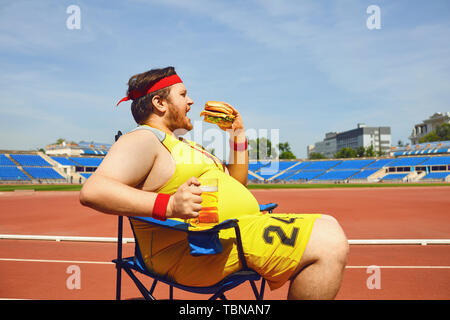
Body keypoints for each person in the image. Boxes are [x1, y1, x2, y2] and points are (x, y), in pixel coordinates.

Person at [79, 66, 349, 299]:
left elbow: (238, 185)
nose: (191, 101)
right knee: (328, 241)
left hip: (227, 236)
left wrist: (238, 135)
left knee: (328, 223)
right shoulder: (144, 139)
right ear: (160, 103)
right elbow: (94, 190)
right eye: (183, 95)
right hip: (194, 250)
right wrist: (170, 205)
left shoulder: (184, 145)